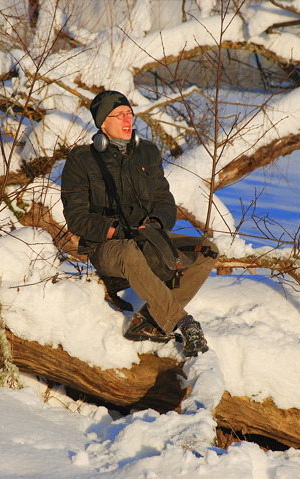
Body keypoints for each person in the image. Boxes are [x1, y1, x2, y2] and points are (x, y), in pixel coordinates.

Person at [60, 90, 219, 357]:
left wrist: (156, 224)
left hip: (148, 237)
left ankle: (150, 323)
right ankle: (182, 321)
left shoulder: (147, 153)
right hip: (108, 246)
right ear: (102, 124)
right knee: (129, 252)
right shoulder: (81, 160)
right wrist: (113, 230)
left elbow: (165, 202)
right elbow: (76, 218)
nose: (127, 119)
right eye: (119, 115)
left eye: (129, 113)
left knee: (207, 249)